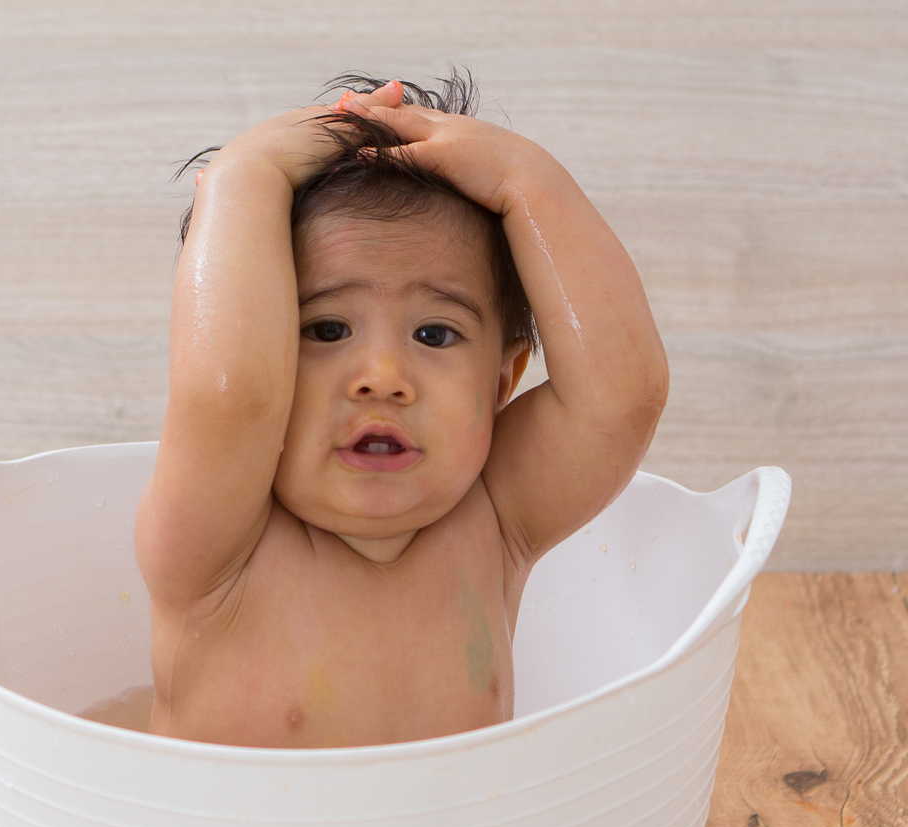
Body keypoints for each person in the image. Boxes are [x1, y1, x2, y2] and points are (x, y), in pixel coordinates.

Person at [106, 72, 668, 746]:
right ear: (266, 355)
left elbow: (621, 398)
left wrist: (528, 181)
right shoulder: (215, 545)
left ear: (501, 381)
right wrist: (246, 176)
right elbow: (229, 396)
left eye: (434, 335)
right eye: (326, 330)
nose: (382, 378)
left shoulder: (496, 520)